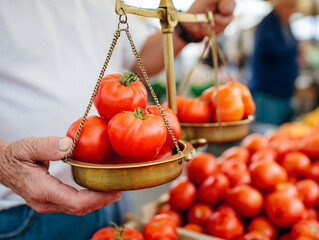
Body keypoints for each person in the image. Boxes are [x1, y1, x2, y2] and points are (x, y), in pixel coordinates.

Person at [0, 0, 235, 239]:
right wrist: (4, 162)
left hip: (116, 183)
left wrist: (185, 31)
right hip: (18, 210)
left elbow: (139, 56)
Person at [248, 0, 299, 125]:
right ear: (281, 5)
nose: (292, 10)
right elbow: (270, 50)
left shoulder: (286, 25)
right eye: (291, 6)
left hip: (284, 92)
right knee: (267, 131)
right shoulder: (267, 25)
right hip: (268, 93)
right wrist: (295, 50)